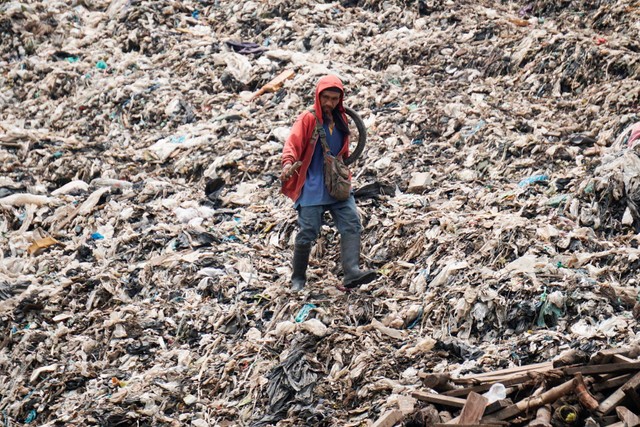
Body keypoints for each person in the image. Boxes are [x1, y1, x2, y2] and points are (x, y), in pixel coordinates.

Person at [280, 75, 377, 291]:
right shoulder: (308, 119)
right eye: (326, 98)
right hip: (312, 185)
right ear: (318, 96)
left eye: (334, 99)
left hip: (336, 184)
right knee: (308, 231)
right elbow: (292, 145)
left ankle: (351, 272)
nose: (329, 103)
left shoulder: (341, 120)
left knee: (351, 222)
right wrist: (288, 164)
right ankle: (298, 278)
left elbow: (344, 152)